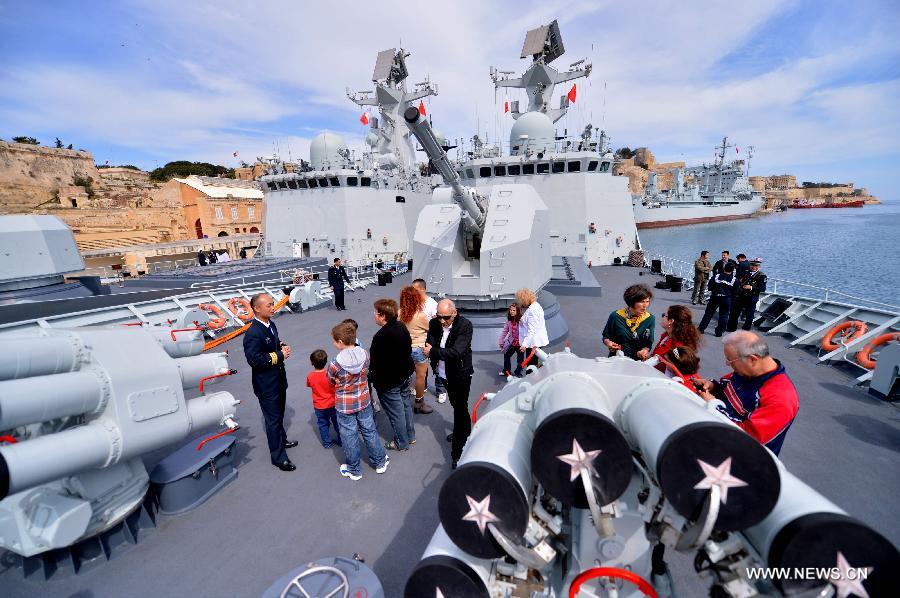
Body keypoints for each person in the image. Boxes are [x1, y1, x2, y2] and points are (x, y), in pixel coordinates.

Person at [695, 331, 799, 455]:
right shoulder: (747, 372)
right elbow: (727, 388)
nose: (727, 364)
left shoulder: (780, 398)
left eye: (730, 360)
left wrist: (714, 404)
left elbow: (746, 438)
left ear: (752, 359)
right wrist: (713, 386)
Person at [326, 322, 389, 480]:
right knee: (369, 430)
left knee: (349, 435)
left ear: (340, 342)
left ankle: (354, 469)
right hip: (364, 399)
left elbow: (331, 380)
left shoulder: (335, 363)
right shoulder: (365, 354)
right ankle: (380, 462)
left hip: (345, 404)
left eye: (334, 341)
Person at [243, 293, 297, 472]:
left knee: (279, 415)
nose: (272, 308)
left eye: (273, 304)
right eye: (268, 305)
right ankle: (278, 457)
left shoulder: (270, 324)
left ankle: (282, 441)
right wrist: (280, 355)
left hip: (278, 380)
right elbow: (254, 360)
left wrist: (282, 346)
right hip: (266, 386)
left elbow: (274, 341)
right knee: (273, 421)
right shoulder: (252, 333)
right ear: (256, 308)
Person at [424, 299, 473, 469]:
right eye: (439, 317)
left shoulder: (465, 326)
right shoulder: (434, 323)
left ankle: (457, 453)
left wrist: (433, 351)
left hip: (460, 375)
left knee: (459, 411)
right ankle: (466, 431)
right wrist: (433, 350)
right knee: (458, 406)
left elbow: (457, 352)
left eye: (446, 317)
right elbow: (429, 343)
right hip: (443, 374)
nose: (442, 321)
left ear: (455, 313)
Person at [370, 299, 416, 451]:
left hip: (389, 382)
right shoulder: (401, 326)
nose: (374, 315)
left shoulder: (380, 337)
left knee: (396, 414)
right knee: (405, 406)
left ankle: (401, 442)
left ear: (382, 316)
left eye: (376, 313)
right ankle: (410, 436)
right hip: (404, 375)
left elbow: (376, 363)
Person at [399, 286, 434, 414]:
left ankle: (402, 401)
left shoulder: (399, 314)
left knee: (404, 376)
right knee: (420, 377)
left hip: (403, 349)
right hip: (418, 348)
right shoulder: (421, 315)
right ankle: (419, 403)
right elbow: (430, 328)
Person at [602, 284, 655, 360]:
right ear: (631, 302)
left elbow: (648, 343)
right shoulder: (616, 316)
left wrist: (645, 350)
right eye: (642, 302)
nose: (645, 305)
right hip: (617, 359)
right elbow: (606, 336)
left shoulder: (650, 319)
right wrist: (608, 343)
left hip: (637, 361)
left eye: (647, 301)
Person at [306, 349, 341, 448]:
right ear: (326, 361)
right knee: (337, 423)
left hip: (319, 406)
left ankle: (326, 443)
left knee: (323, 424)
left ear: (312, 362)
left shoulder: (310, 376)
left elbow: (309, 385)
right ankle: (341, 440)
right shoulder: (330, 374)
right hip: (333, 403)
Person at [651, 305, 701, 372]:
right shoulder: (666, 335)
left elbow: (678, 367)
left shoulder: (677, 347)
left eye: (664, 315)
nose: (662, 317)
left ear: (671, 321)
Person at [698, 262, 737, 337]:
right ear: (732, 270)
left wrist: (715, 291)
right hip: (726, 298)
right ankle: (719, 332)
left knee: (709, 313)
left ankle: (701, 329)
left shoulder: (716, 276)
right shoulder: (734, 280)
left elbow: (710, 286)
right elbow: (736, 292)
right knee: (724, 315)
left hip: (715, 297)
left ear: (724, 268)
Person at [729, 257, 768, 332]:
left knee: (749, 314)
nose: (754, 267)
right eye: (752, 266)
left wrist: (751, 287)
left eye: (756, 266)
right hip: (742, 296)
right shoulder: (747, 273)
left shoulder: (762, 276)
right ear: (750, 266)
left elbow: (762, 289)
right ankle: (732, 328)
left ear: (759, 267)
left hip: (752, 297)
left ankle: (746, 329)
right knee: (735, 312)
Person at [517, 288, 549, 367]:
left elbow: (531, 330)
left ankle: (532, 378)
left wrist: (524, 345)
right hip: (534, 341)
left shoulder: (532, 311)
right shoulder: (536, 305)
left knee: (531, 365)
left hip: (533, 342)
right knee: (533, 362)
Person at [498, 303, 524, 377]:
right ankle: (506, 372)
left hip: (520, 344)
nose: (511, 311)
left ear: (518, 311)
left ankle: (518, 373)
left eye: (514, 310)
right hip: (512, 343)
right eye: (511, 310)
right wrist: (501, 340)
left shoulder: (522, 322)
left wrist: (525, 344)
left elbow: (527, 332)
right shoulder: (509, 321)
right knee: (506, 356)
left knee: (520, 361)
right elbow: (505, 331)